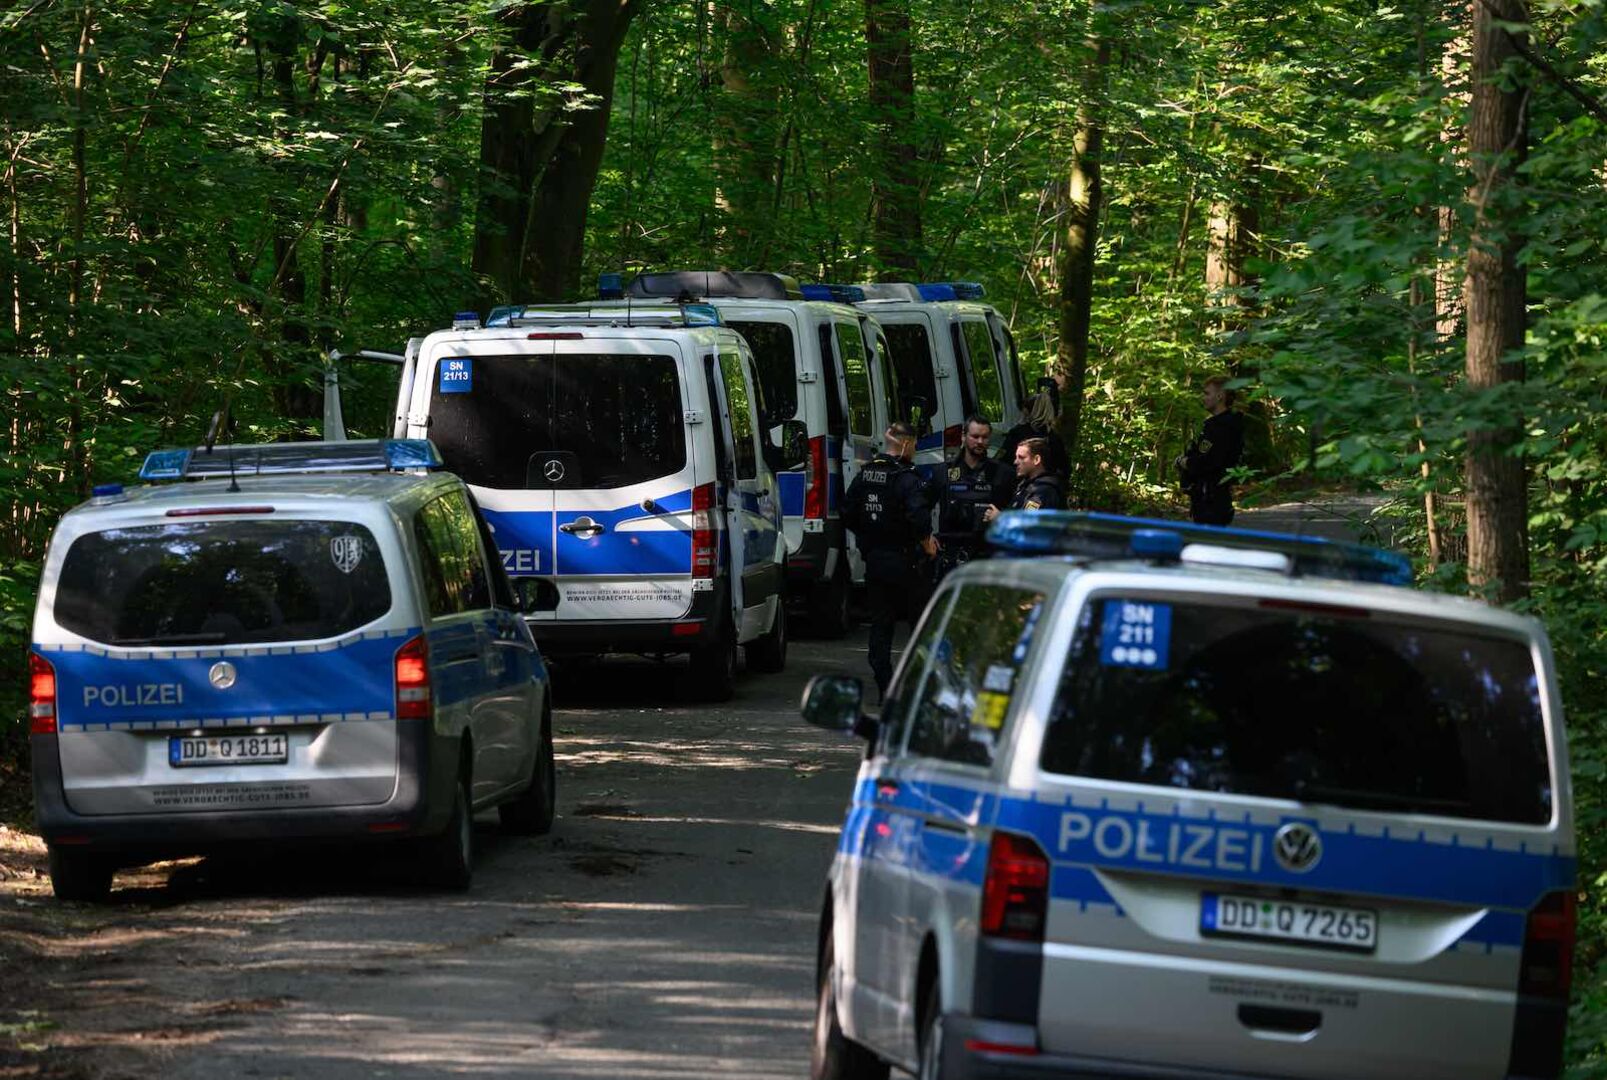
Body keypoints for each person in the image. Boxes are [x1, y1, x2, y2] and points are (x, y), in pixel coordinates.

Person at [841, 422, 938, 701]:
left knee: (881, 625)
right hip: (907, 562)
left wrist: (867, 539)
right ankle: (918, 688)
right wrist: (927, 544)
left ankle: (885, 686)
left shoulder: (865, 475)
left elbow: (848, 511)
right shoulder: (906, 477)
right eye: (915, 445)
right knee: (920, 624)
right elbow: (918, 517)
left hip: (876, 562)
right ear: (906, 444)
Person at [933, 415, 1015, 578]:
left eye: (984, 437)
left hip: (986, 555)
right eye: (975, 436)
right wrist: (926, 535)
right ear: (963, 437)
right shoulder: (944, 471)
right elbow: (922, 504)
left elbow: (1017, 512)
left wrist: (1002, 517)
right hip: (951, 553)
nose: (980, 442)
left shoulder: (1003, 473)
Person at [1174, 375, 1246, 526]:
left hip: (1212, 499)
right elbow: (1201, 453)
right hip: (1206, 497)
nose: (1203, 397)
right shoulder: (1215, 425)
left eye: (1207, 393)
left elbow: (1210, 461)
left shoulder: (1223, 427)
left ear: (1220, 396)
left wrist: (1186, 462)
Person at [983, 437, 1064, 527]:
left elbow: (1029, 527)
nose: (1015, 462)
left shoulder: (1044, 491)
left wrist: (1000, 518)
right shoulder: (1027, 485)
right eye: (1016, 457)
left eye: (1021, 457)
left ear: (1036, 460)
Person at [997, 391, 1068, 490]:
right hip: (1046, 489)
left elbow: (1003, 461)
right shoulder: (1054, 437)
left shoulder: (1017, 433)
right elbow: (1064, 469)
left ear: (1028, 411)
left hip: (1018, 488)